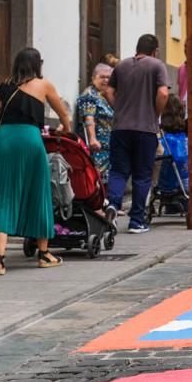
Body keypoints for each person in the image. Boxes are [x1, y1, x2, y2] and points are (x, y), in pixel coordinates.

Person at [0, 47, 74, 274]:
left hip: (4, 139)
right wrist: (64, 129)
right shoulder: (43, 84)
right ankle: (44, 254)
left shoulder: (6, 84)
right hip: (29, 139)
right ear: (37, 64)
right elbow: (64, 114)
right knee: (38, 193)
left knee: (3, 194)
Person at [106, 34, 169, 234]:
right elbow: (163, 93)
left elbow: (108, 91)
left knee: (118, 171)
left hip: (120, 128)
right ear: (155, 50)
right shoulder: (157, 65)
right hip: (145, 129)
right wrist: (156, 113)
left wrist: (119, 108)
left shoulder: (122, 66)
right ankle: (136, 220)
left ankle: (113, 205)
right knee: (142, 175)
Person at [75, 63, 114, 178]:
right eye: (102, 77)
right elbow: (89, 117)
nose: (106, 80)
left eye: (108, 77)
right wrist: (92, 138)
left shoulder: (106, 95)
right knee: (100, 181)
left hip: (111, 145)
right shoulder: (89, 96)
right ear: (93, 78)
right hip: (99, 147)